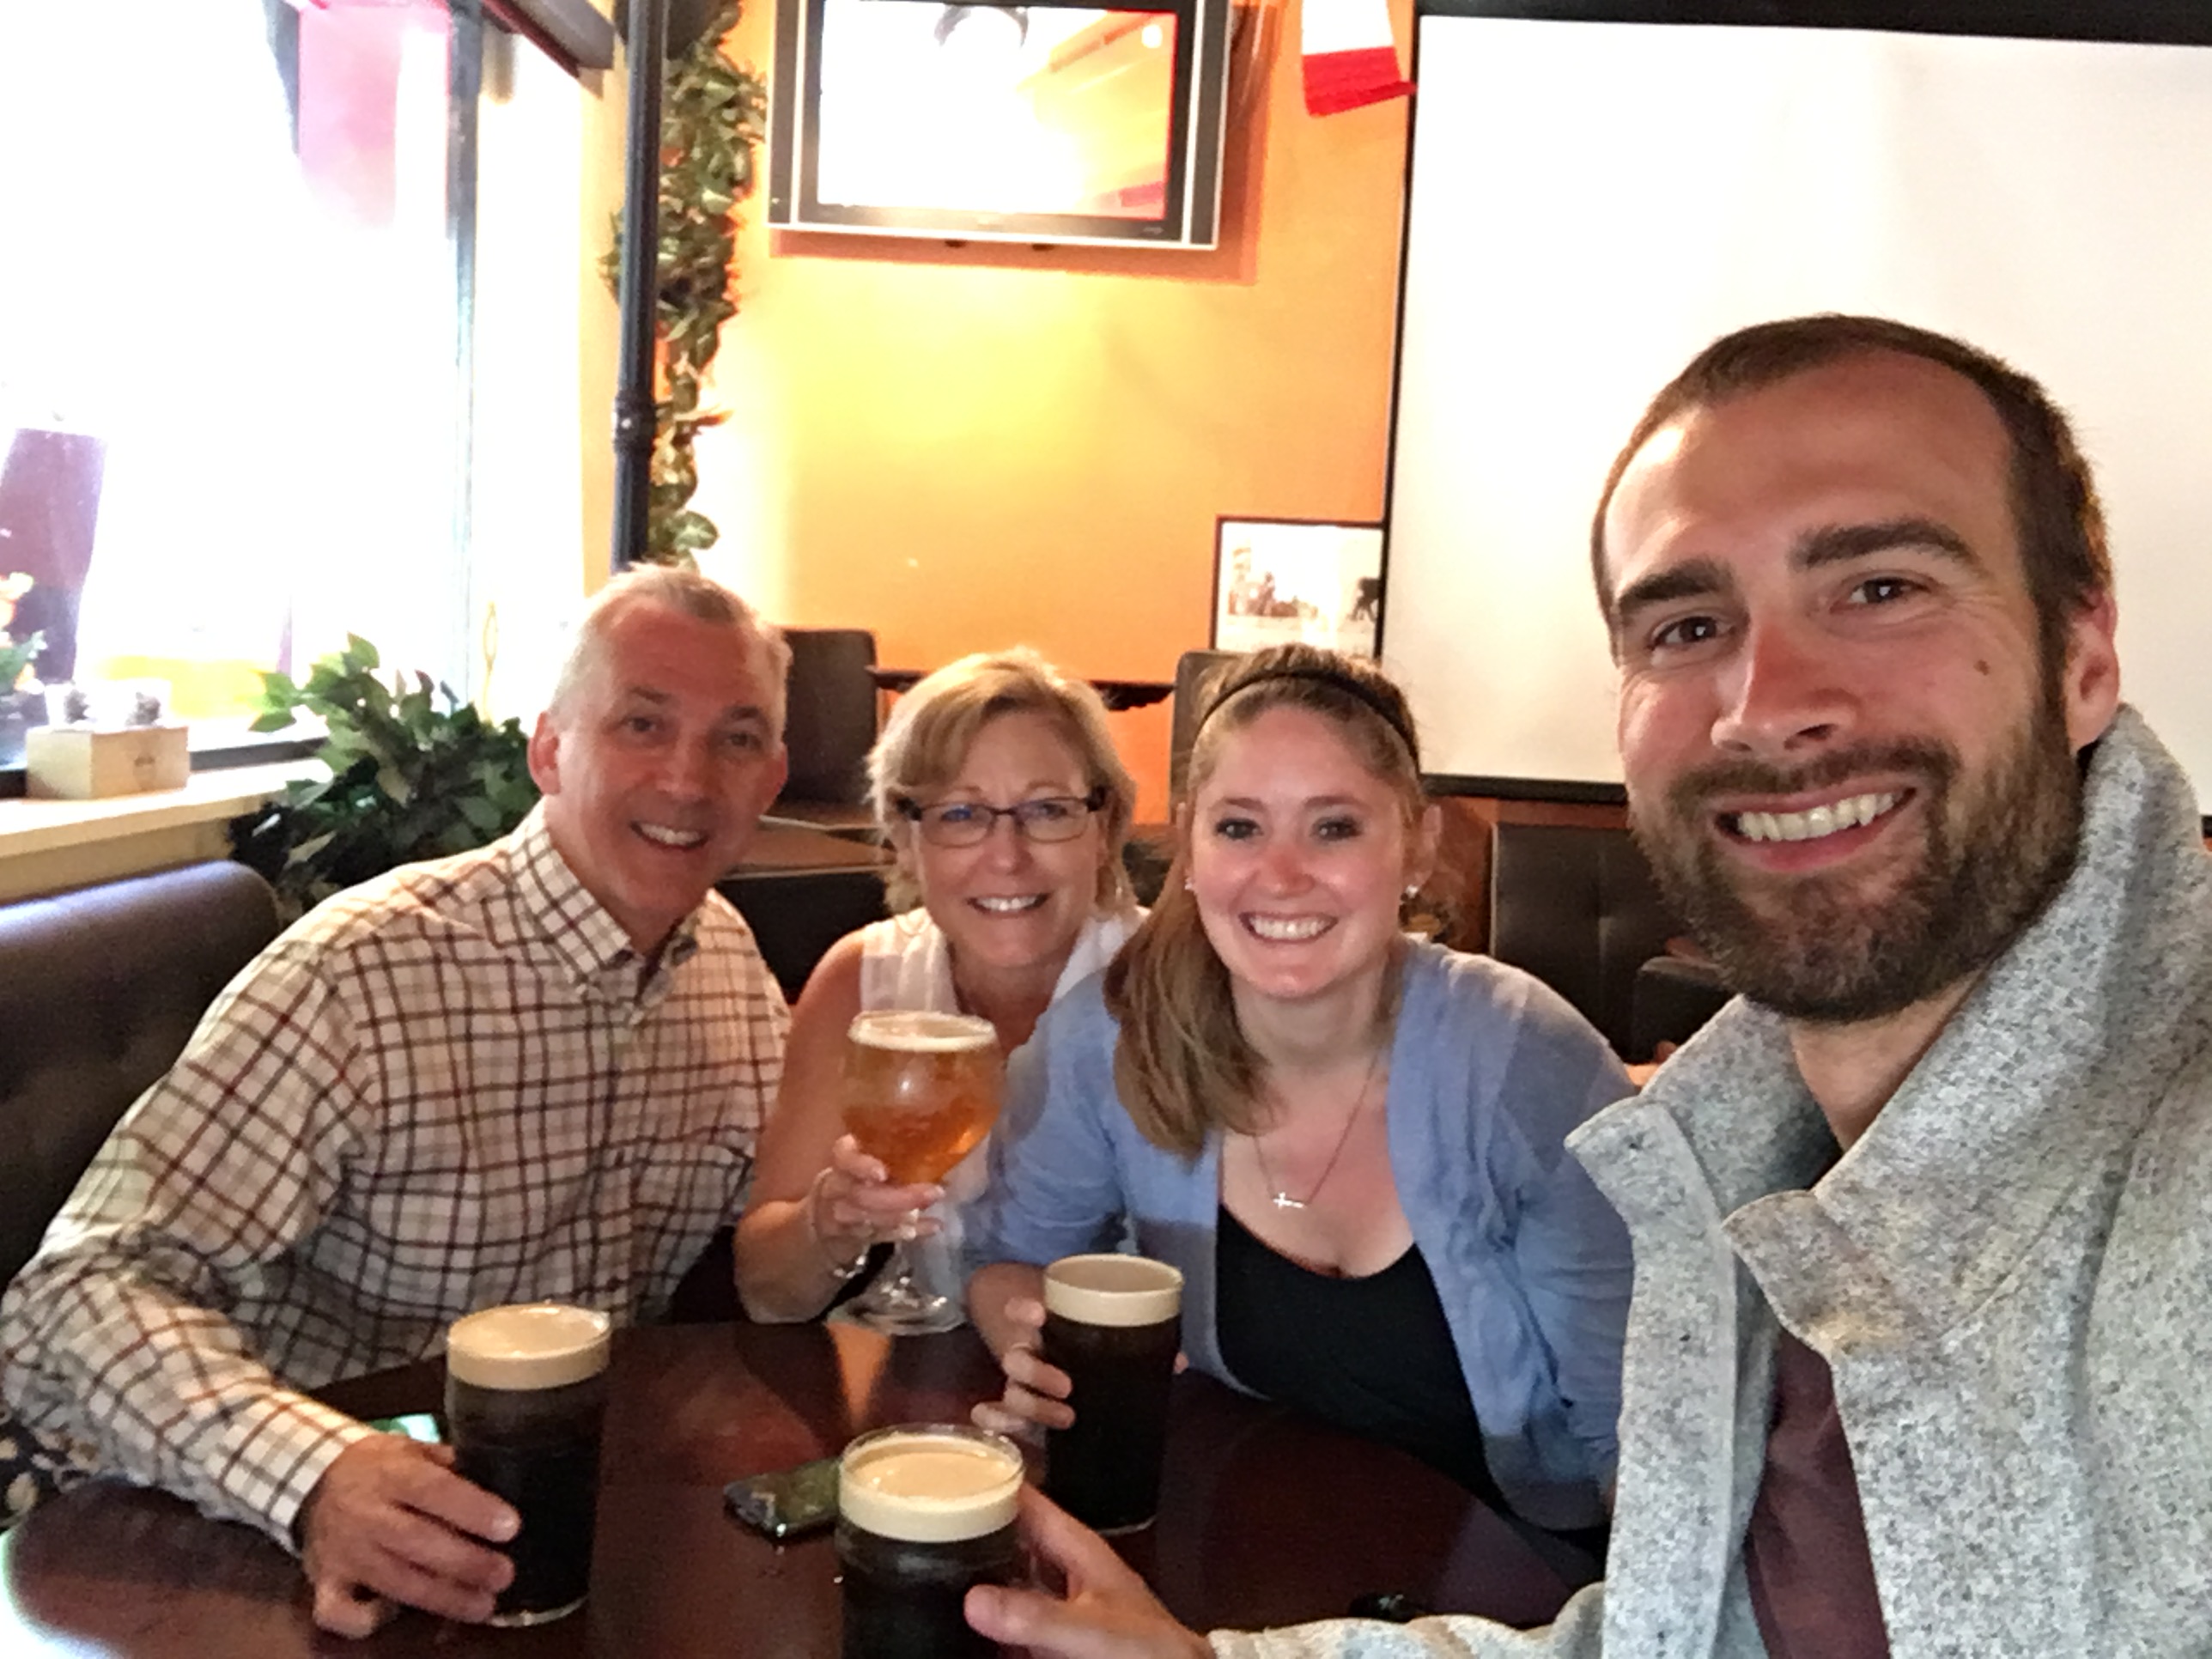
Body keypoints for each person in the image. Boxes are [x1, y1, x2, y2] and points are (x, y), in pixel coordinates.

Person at [962, 315, 2212, 1658]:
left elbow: (1610, 1489)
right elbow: (1669, 1631)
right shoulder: (1732, 1149)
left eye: (1881, 587)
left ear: (2085, 657)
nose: (1763, 703)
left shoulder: (2170, 1170)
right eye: (1687, 623)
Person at [0, 566, 793, 1637]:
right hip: (230, 1524)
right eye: (642, 723)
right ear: (550, 749)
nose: (689, 779)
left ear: (773, 774)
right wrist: (315, 1474)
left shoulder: (729, 968)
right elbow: (71, 1295)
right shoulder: (366, 970)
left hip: (525, 1528)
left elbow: (775, 1235)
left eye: (735, 739)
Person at [962, 644, 1636, 1539]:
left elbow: (1628, 1440)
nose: (1280, 876)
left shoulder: (1522, 1060)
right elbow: (1008, 1257)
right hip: (1235, 1541)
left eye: (1333, 828)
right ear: (1191, 843)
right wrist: (1032, 1349)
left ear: (1417, 844)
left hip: (1511, 1574)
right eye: (1239, 828)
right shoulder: (1114, 1034)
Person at [734, 647, 1143, 1321]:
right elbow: (766, 1292)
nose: (1007, 857)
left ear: (1104, 829)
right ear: (904, 838)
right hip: (916, 1380)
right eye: (959, 815)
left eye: (1047, 810)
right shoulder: (863, 981)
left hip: (1118, 1376)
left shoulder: (1180, 985)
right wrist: (827, 1223)